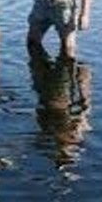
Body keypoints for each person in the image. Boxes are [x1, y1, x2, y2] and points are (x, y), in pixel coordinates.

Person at [28, 43, 93, 172]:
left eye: (60, 155)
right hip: (57, 95)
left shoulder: (49, 135)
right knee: (59, 53)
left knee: (41, 53)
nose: (60, 151)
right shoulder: (75, 132)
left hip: (48, 94)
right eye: (63, 154)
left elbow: (85, 106)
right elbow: (85, 106)